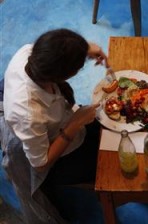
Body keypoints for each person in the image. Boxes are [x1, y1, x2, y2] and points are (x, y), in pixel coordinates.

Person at [2, 28, 108, 222]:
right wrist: (74, 125)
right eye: (78, 67)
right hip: (55, 157)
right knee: (110, 164)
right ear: (61, 76)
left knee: (110, 125)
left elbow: (55, 48)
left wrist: (84, 49)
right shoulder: (28, 112)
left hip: (63, 122)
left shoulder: (30, 53)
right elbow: (41, 164)